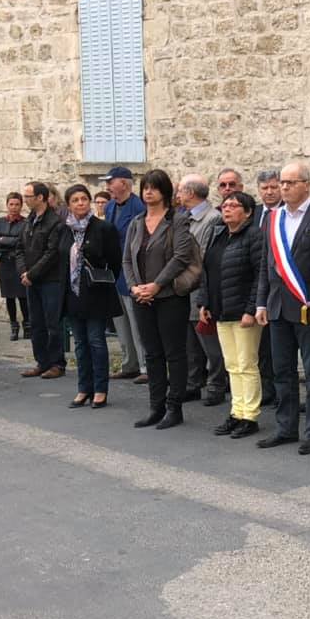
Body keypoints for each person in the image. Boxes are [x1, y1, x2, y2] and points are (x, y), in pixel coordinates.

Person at [255, 161, 310, 454]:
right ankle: (285, 427)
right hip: (278, 307)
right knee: (282, 372)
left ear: (307, 184)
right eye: (283, 183)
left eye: (291, 182)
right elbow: (267, 266)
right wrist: (260, 302)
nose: (285, 187)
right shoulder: (273, 218)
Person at [122, 169, 196, 430]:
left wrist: (156, 285)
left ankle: (174, 408)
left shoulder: (178, 220)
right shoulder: (136, 222)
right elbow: (128, 259)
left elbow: (181, 257)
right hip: (142, 298)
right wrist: (134, 288)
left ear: (165, 191)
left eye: (153, 187)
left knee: (174, 353)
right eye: (145, 187)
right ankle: (156, 406)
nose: (148, 192)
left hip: (169, 296)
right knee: (152, 353)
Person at [200, 192, 265, 439]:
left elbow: (259, 275)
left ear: (247, 212)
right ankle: (236, 411)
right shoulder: (218, 234)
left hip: (242, 312)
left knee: (247, 364)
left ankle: (250, 415)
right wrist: (204, 302)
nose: (226, 209)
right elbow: (207, 271)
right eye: (224, 205)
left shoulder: (254, 236)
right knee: (232, 365)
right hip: (220, 310)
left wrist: (251, 309)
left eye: (233, 206)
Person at [60, 184, 123, 409]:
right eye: (75, 200)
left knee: (96, 341)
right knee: (79, 343)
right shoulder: (64, 230)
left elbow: (115, 262)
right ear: (68, 205)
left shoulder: (103, 228)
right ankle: (83, 388)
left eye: (84, 199)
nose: (80, 203)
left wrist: (100, 279)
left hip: (95, 293)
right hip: (73, 293)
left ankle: (100, 389)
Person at [178, 174, 227, 407]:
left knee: (209, 340)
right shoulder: (183, 217)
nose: (177, 195)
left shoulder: (213, 219)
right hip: (183, 287)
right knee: (190, 341)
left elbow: (206, 257)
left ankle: (216, 385)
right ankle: (193, 383)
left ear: (190, 193)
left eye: (180, 191)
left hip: (200, 287)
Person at [15, 181, 68, 379]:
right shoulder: (29, 220)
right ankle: (42, 361)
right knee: (36, 322)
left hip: (50, 280)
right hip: (31, 280)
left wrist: (32, 273)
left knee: (52, 323)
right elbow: (19, 248)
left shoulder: (55, 222)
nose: (25, 199)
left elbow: (52, 253)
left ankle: (56, 363)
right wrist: (24, 272)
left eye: (28, 196)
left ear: (40, 198)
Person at [103, 166, 148, 385]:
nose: (108, 186)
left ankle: (145, 366)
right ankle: (129, 363)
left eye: (111, 182)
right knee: (120, 321)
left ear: (124, 183)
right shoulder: (111, 206)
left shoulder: (138, 206)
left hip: (132, 271)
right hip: (114, 270)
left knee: (137, 322)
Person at [256, 169, 284, 406]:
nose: (270, 192)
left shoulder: (287, 214)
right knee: (262, 347)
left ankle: (281, 391)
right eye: (265, 188)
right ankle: (267, 389)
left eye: (274, 187)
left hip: (283, 289)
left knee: (279, 348)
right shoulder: (254, 214)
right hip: (257, 286)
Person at [0, 193, 30, 341]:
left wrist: (4, 240)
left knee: (23, 296)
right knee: (9, 296)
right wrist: (10, 241)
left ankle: (27, 325)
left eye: (17, 204)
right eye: (11, 204)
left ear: (21, 206)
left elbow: (23, 242)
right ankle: (13, 326)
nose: (14, 207)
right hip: (5, 263)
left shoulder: (26, 223)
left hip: (19, 262)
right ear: (7, 205)